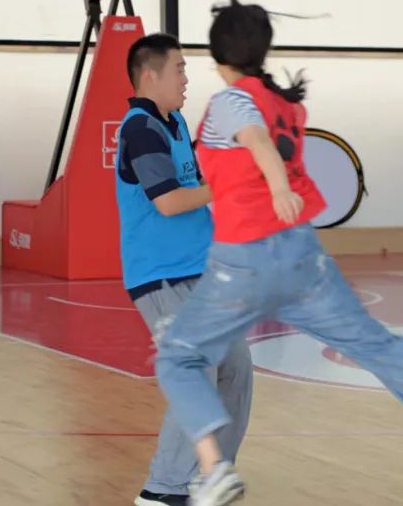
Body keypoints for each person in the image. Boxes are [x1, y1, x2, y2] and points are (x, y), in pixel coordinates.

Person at [153, 0, 403, 506]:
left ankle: (214, 469)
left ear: (217, 55)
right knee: (381, 346)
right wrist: (281, 190)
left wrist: (277, 187)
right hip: (302, 256)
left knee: (178, 357)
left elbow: (256, 140)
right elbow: (265, 141)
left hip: (244, 259)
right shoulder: (289, 105)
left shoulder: (229, 102)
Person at [115, 33, 254, 506]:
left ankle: (209, 477)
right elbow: (170, 201)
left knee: (235, 368)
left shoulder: (172, 123)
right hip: (160, 277)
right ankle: (163, 491)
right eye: (179, 69)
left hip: (200, 272)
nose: (186, 79)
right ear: (149, 75)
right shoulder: (141, 130)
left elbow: (198, 185)